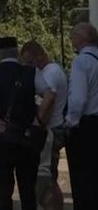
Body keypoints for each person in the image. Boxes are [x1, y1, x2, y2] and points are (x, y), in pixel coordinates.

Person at [0, 36, 55, 210]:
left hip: (2, 136)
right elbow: (50, 95)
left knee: (4, 191)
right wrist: (38, 121)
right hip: (27, 138)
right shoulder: (32, 73)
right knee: (28, 191)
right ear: (17, 52)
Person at [19, 41, 67, 210]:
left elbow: (47, 101)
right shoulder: (50, 70)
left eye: (29, 62)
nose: (28, 67)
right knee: (50, 179)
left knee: (44, 178)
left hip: (49, 129)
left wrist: (36, 125)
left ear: (39, 57)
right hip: (53, 127)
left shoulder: (49, 73)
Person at [64, 22, 98, 209]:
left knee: (83, 181)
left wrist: (71, 122)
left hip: (87, 127)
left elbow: (78, 98)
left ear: (80, 39)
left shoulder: (81, 62)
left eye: (73, 37)